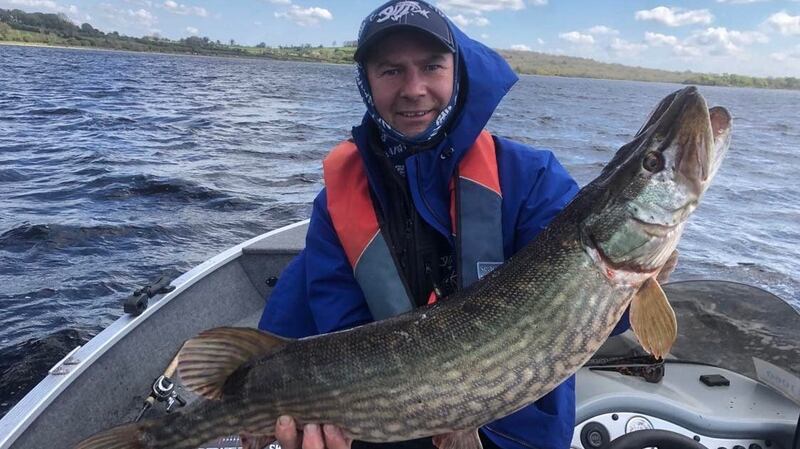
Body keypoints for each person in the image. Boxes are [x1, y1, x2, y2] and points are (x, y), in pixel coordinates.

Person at [257, 1, 627, 448]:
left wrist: (635, 286)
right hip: (386, 432)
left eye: (431, 66)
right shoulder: (336, 207)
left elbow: (595, 315)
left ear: (458, 71)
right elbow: (341, 330)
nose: (414, 89)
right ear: (366, 82)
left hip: (519, 436)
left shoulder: (532, 178)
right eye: (390, 70)